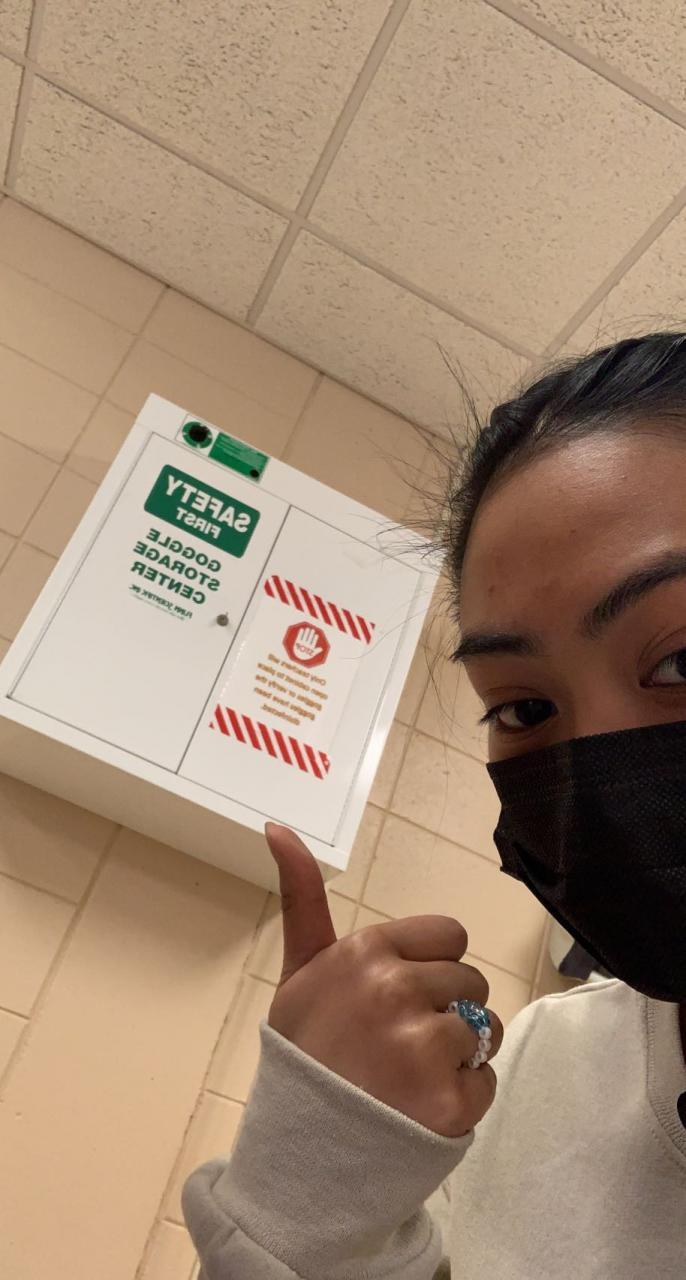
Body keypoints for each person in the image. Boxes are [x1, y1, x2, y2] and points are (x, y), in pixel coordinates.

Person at [182, 331, 686, 1277]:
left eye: (680, 659)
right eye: (524, 709)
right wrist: (309, 1196)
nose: (597, 784)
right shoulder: (544, 1068)